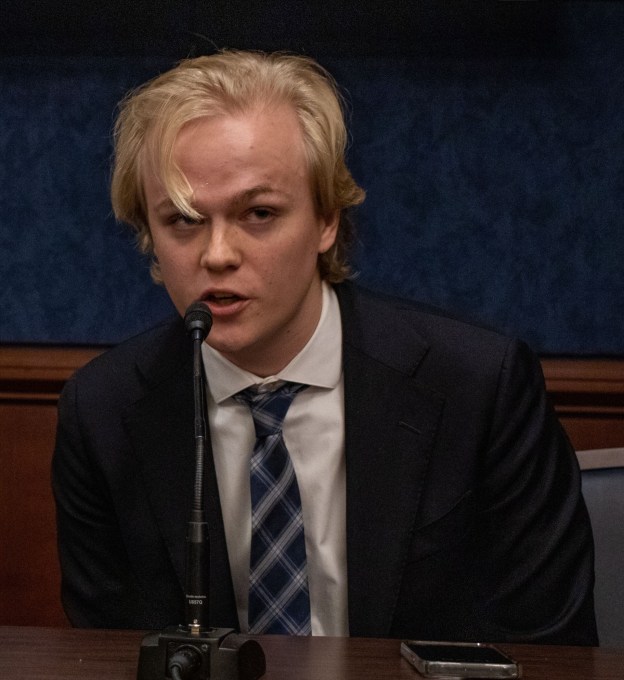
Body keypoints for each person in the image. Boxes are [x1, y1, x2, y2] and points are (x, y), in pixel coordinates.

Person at [52, 50, 598, 644]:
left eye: (259, 213)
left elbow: (551, 647)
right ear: (149, 234)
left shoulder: (479, 387)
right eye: (183, 220)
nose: (217, 255)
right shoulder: (103, 413)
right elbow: (109, 652)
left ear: (327, 220)